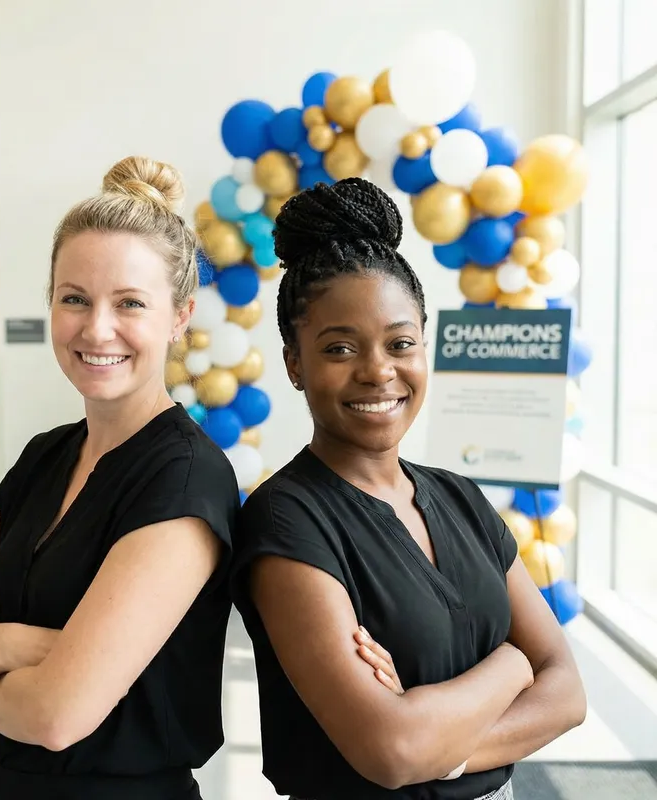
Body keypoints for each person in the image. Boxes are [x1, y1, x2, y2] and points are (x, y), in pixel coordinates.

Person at [230, 178, 586, 800]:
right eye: (339, 348)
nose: (377, 370)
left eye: (400, 343)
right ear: (293, 364)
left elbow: (569, 693)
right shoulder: (286, 521)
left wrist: (438, 746)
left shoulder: (461, 498)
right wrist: (513, 664)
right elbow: (392, 752)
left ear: (424, 345)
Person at [0, 156, 241, 800]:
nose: (97, 328)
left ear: (179, 316)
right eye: (75, 299)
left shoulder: (185, 479)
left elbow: (58, 716)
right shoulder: (44, 457)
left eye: (130, 304)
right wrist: (27, 648)